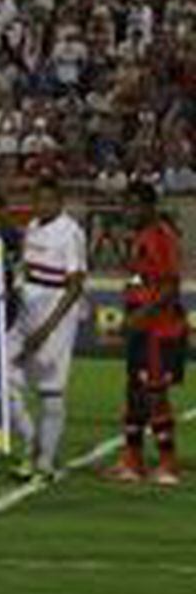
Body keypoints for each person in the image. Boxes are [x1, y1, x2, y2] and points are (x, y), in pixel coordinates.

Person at [10, 176, 88, 482]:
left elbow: (75, 285)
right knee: (1, 375)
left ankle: (44, 461)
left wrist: (47, 328)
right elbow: (28, 269)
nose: (41, 205)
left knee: (51, 390)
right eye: (37, 200)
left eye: (47, 200)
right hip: (26, 315)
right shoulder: (32, 226)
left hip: (55, 320)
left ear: (59, 202)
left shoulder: (71, 233)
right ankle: (31, 441)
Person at [109, 180, 185, 485]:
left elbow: (170, 287)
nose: (129, 212)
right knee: (135, 393)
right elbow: (143, 280)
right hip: (142, 328)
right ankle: (133, 460)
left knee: (154, 395)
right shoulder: (140, 236)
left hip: (158, 330)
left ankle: (167, 463)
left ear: (150, 207)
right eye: (126, 206)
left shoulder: (161, 237)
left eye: (135, 206)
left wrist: (140, 314)